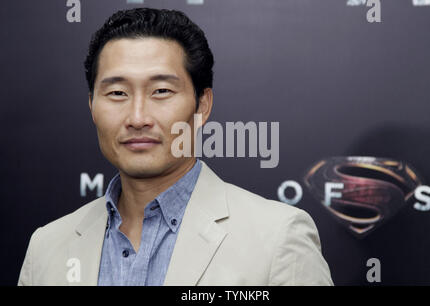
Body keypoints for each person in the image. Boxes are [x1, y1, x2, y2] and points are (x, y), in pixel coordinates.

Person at [18, 7, 333, 286]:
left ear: (202, 105)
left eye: (161, 91)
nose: (137, 117)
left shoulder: (277, 238)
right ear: (91, 105)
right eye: (117, 93)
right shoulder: (47, 246)